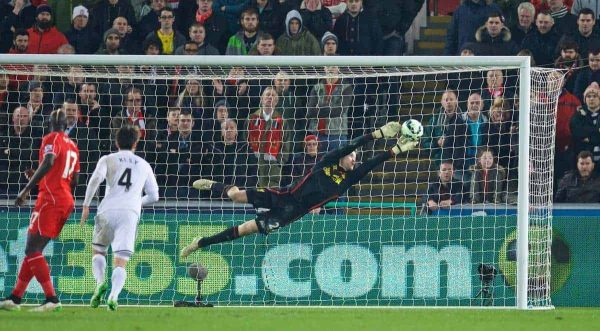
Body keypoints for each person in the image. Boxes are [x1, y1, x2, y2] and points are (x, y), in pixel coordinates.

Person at [180, 121, 419, 256]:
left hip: (289, 214)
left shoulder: (347, 180)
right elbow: (349, 146)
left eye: (355, 158)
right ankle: (215, 185)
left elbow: (369, 165)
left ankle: (200, 243)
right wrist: (376, 134)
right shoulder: (326, 161)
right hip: (282, 194)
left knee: (243, 230)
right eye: (352, 157)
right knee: (234, 195)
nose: (354, 159)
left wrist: (395, 151)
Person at [0, 110, 80, 312]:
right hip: (65, 200)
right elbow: (75, 178)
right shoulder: (73, 145)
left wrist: (27, 189)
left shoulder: (51, 138)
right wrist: (43, 177)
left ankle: (52, 298)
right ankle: (15, 298)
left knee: (31, 248)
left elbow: (49, 161)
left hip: (50, 199)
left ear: (50, 122)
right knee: (35, 250)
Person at [80, 125, 160, 311]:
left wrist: (86, 204)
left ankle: (100, 283)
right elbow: (155, 195)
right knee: (120, 260)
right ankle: (114, 296)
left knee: (98, 251)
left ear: (116, 142)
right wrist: (136, 201)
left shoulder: (108, 159)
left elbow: (95, 180)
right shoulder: (143, 164)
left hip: (106, 209)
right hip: (129, 213)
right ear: (135, 143)